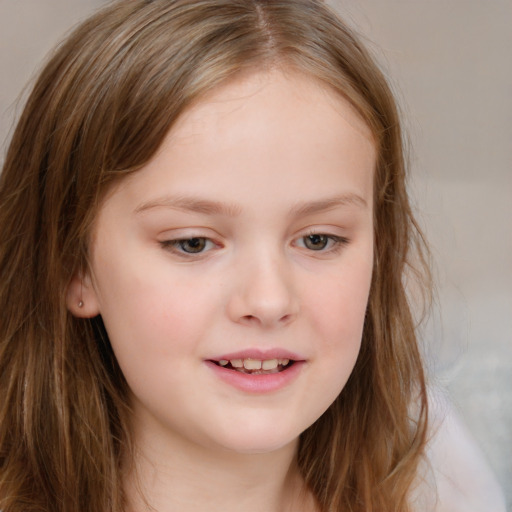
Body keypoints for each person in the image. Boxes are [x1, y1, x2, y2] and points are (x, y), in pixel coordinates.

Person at [1, 1, 502, 511]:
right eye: (193, 243)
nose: (267, 301)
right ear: (73, 264)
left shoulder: (452, 489)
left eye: (317, 240)